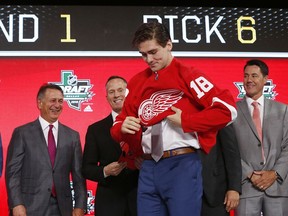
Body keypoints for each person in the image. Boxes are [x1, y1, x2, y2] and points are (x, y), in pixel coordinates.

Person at [110, 22, 237, 216]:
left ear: (168, 44)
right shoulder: (137, 81)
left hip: (181, 163)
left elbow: (227, 110)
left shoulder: (189, 74)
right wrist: (122, 128)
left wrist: (187, 120)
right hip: (148, 166)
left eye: (153, 52)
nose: (149, 59)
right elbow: (119, 123)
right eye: (143, 55)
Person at [5, 83, 87, 216]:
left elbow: (79, 176)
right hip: (29, 207)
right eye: (52, 101)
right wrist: (16, 204)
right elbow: (13, 173)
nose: (57, 105)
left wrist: (80, 206)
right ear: (40, 103)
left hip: (63, 209)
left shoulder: (73, 136)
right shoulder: (22, 133)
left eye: (60, 101)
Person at [233, 59, 288, 216]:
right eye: (246, 76)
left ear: (265, 80)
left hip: (278, 187)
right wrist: (249, 173)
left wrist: (275, 173)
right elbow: (229, 150)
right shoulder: (232, 111)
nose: (249, 80)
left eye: (254, 76)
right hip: (246, 188)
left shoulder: (283, 110)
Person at [82, 75, 139, 216]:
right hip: (109, 203)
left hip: (140, 199)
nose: (116, 95)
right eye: (112, 92)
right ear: (107, 97)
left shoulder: (144, 123)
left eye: (120, 90)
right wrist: (105, 171)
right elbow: (86, 168)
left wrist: (145, 164)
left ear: (129, 93)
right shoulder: (96, 129)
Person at [201, 124, 242, 216]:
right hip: (183, 187)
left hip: (214, 190)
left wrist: (234, 188)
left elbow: (231, 151)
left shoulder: (218, 110)